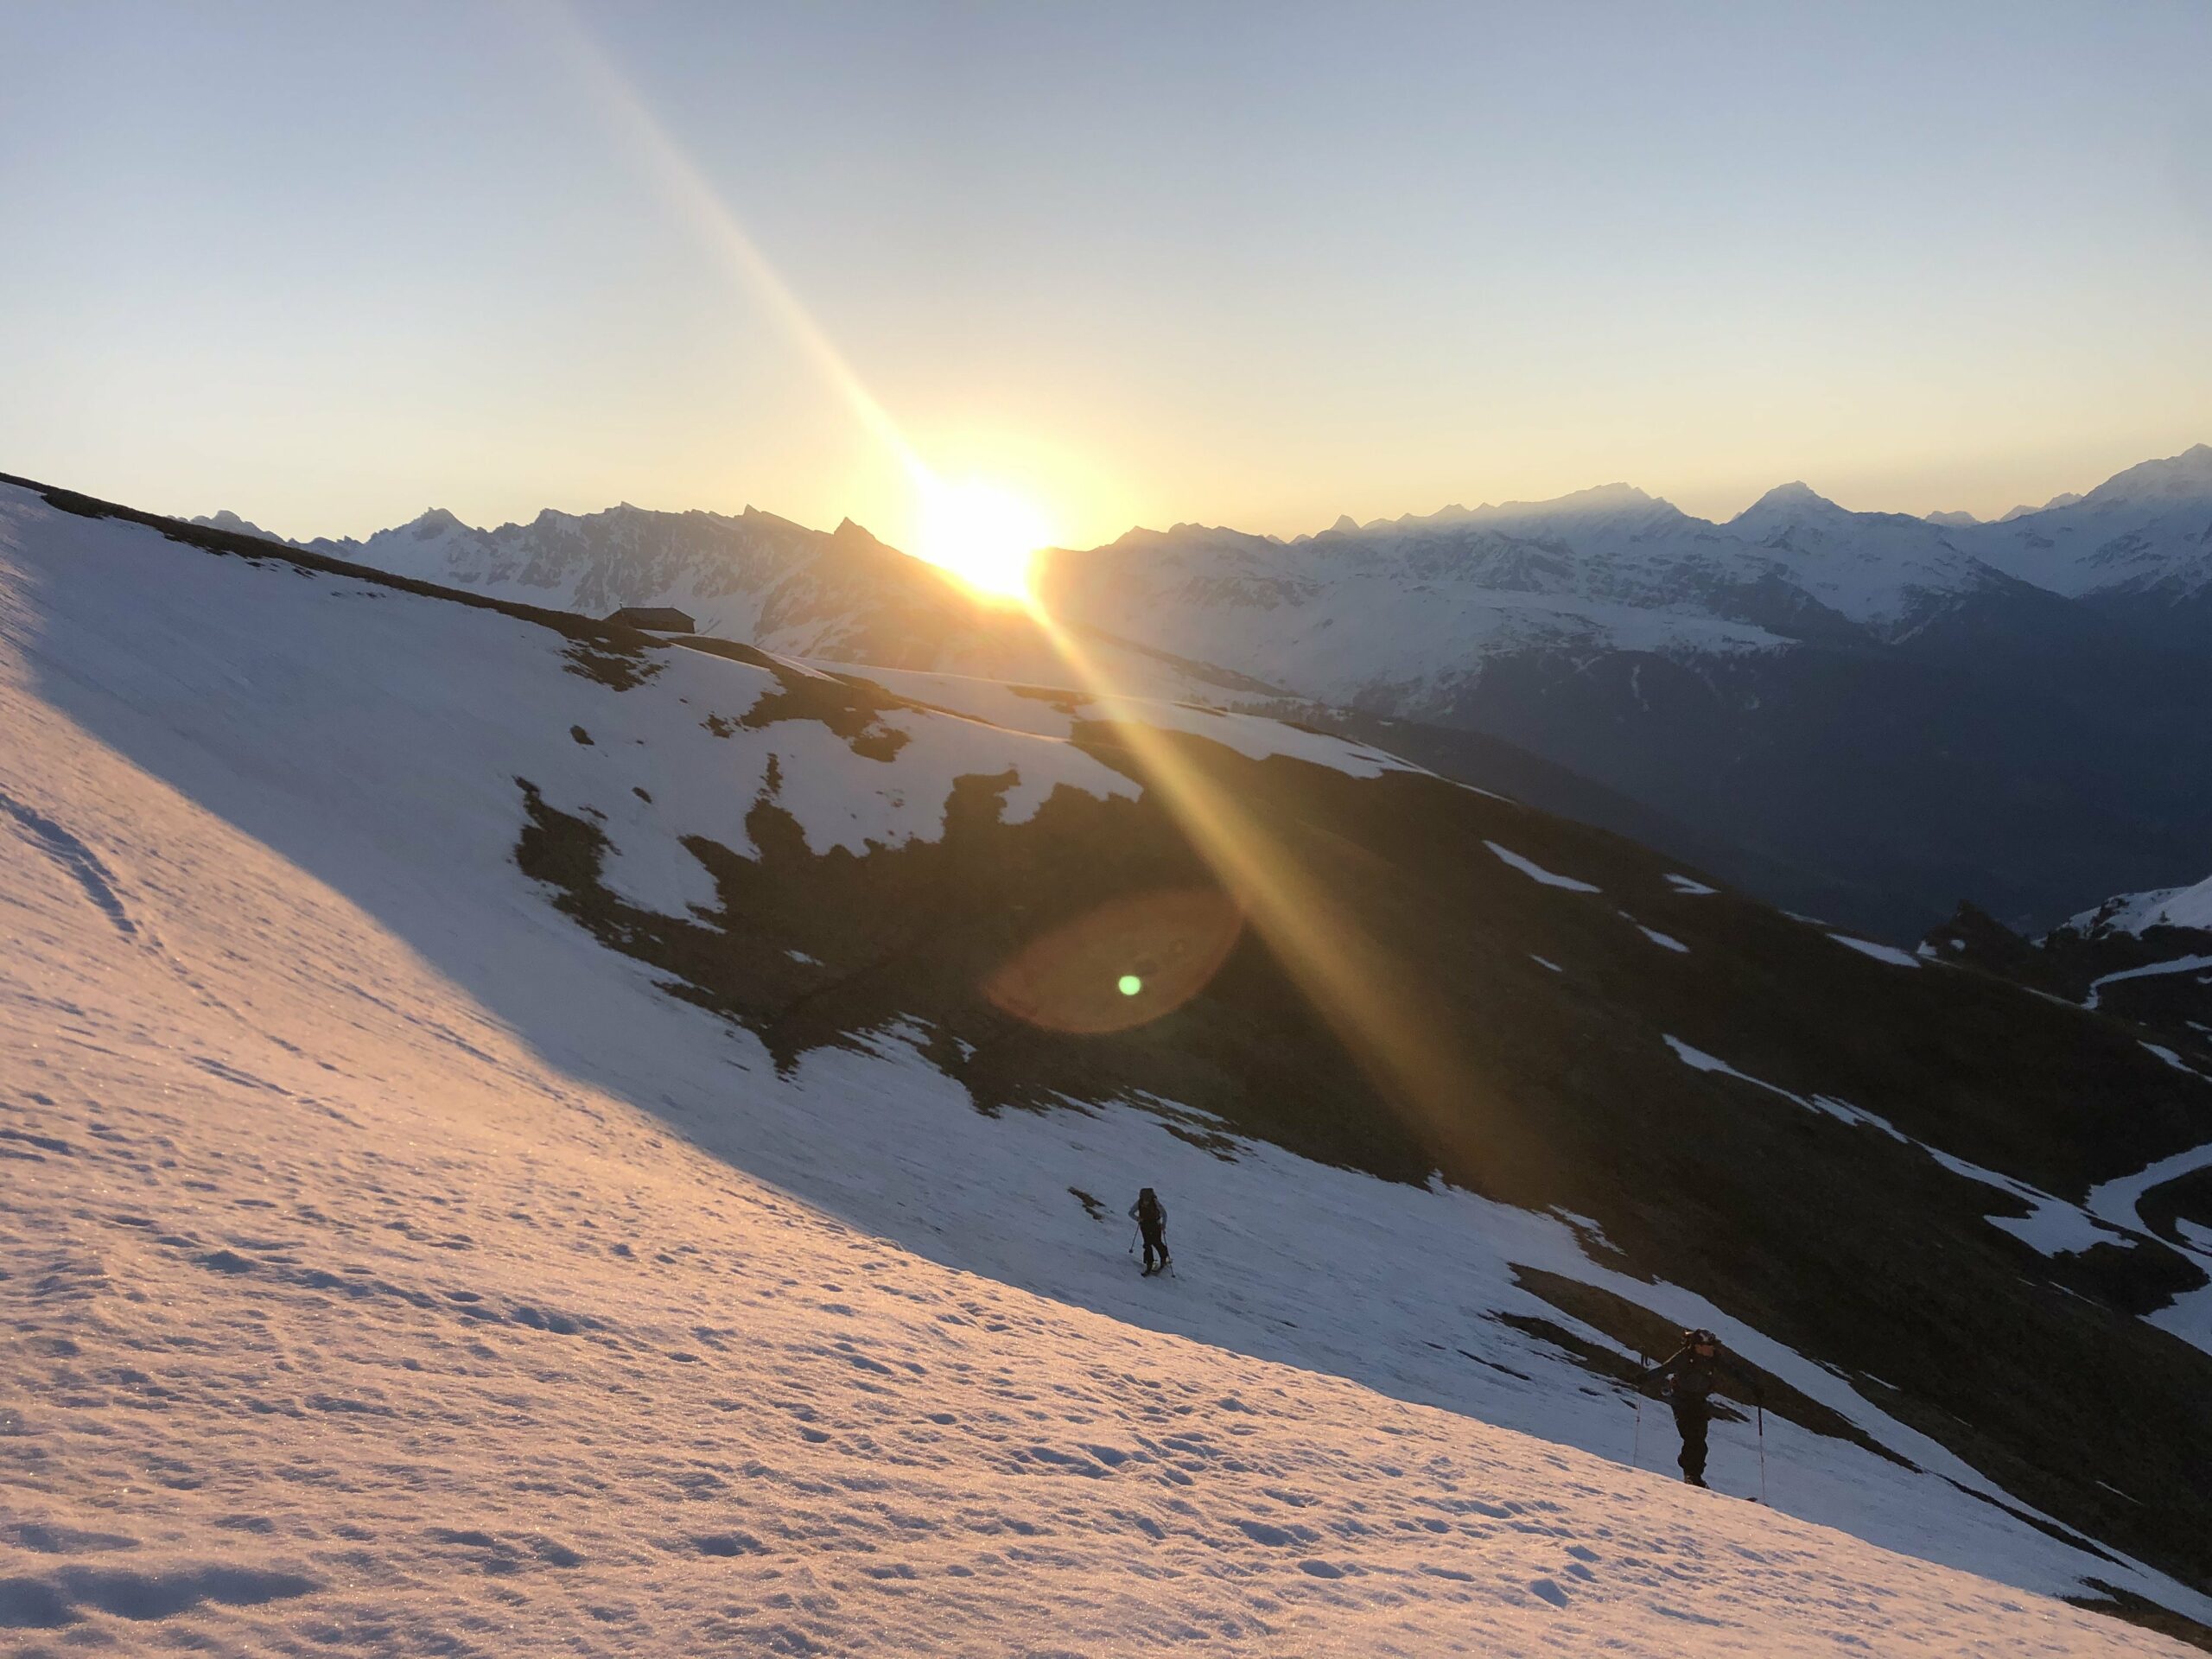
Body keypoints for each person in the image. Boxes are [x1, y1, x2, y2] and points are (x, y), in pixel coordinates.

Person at [1642, 1328, 1756, 1488]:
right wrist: (1644, 1378)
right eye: (1710, 1346)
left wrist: (1752, 1386)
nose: (1713, 1348)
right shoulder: (1685, 1357)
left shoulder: (1713, 1358)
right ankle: (1691, 1476)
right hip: (1681, 1402)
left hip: (1699, 1402)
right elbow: (1665, 1369)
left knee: (1699, 1440)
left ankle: (1693, 1475)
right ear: (1698, 1346)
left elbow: (1733, 1372)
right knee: (1693, 1438)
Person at [1129, 1187, 1171, 1276]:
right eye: (1145, 1199)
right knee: (1147, 1244)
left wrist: (1163, 1224)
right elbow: (1130, 1213)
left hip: (1154, 1225)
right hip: (1145, 1226)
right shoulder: (1141, 1202)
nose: (1146, 1201)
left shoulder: (1154, 1202)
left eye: (1147, 1199)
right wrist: (1138, 1219)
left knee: (1156, 1242)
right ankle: (1150, 1263)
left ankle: (1163, 1257)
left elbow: (1164, 1213)